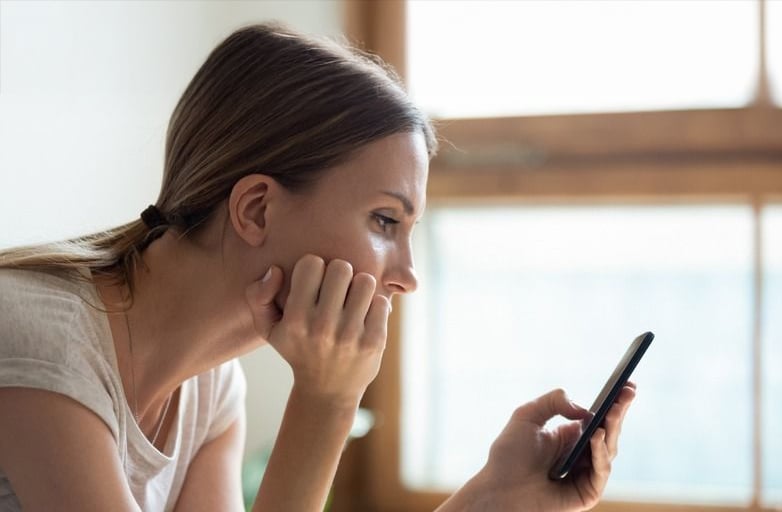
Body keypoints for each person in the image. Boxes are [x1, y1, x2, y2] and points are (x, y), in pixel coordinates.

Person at [0, 23, 636, 512]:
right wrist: (328, 401)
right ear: (256, 209)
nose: (407, 275)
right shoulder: (44, 341)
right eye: (384, 221)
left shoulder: (212, 390)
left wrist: (492, 499)